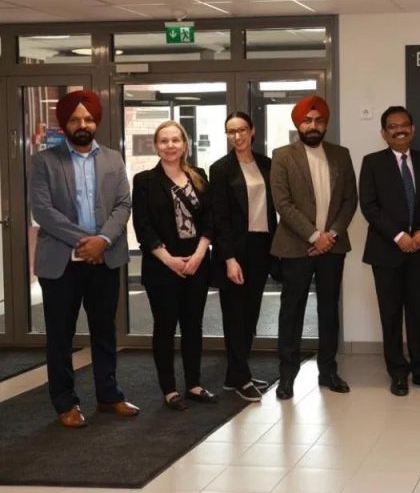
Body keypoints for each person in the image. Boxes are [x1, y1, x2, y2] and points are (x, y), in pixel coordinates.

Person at [30, 89, 138, 428]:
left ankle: (109, 395)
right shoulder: (44, 161)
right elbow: (43, 210)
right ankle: (66, 403)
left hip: (105, 259)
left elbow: (123, 204)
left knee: (104, 331)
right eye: (76, 119)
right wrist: (85, 242)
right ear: (64, 123)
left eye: (89, 119)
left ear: (96, 122)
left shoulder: (113, 158)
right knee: (60, 336)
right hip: (61, 262)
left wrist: (102, 241)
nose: (83, 124)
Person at [270, 95, 358, 399]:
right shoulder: (282, 156)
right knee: (291, 312)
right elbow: (283, 203)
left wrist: (330, 234)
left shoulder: (341, 155)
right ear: (298, 124)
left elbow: (350, 200)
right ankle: (286, 376)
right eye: (307, 120)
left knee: (329, 310)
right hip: (296, 247)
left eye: (318, 120)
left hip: (333, 246)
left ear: (325, 123)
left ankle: (328, 371)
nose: (313, 125)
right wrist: (313, 236)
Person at [359, 106, 420, 396]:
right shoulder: (372, 162)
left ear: (413, 129)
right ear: (384, 133)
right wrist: (398, 236)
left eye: (404, 125)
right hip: (386, 251)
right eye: (393, 126)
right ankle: (397, 372)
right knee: (391, 314)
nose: (400, 130)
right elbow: (369, 206)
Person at [132, 120, 218, 411]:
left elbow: (210, 220)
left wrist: (199, 255)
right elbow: (143, 227)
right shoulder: (144, 181)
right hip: (161, 266)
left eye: (175, 140)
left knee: (193, 326)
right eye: (164, 141)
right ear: (157, 146)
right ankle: (169, 390)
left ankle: (194, 384)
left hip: (197, 263)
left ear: (185, 145)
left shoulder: (199, 176)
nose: (170, 146)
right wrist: (168, 259)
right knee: (165, 327)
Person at [210, 112, 277, 402]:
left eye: (242, 130)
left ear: (252, 131)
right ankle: (240, 377)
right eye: (231, 131)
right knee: (235, 315)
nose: (237, 136)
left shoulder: (267, 164)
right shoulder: (220, 169)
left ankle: (235, 374)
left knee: (251, 313)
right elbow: (220, 218)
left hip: (262, 246)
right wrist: (229, 258)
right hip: (235, 251)